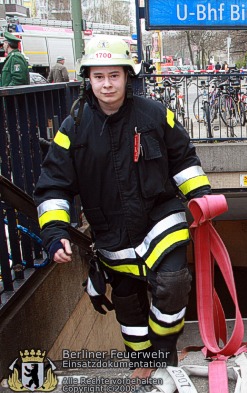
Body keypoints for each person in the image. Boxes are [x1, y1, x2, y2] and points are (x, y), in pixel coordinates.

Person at [34, 37, 211, 373]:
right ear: (89, 79)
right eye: (99, 76)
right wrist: (55, 232)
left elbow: (184, 159)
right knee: (129, 306)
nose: (106, 84)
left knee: (173, 284)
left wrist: (201, 198)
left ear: (128, 76)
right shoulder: (73, 128)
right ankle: (143, 362)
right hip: (111, 231)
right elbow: (54, 184)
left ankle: (163, 351)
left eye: (114, 75)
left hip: (160, 218)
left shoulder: (155, 114)